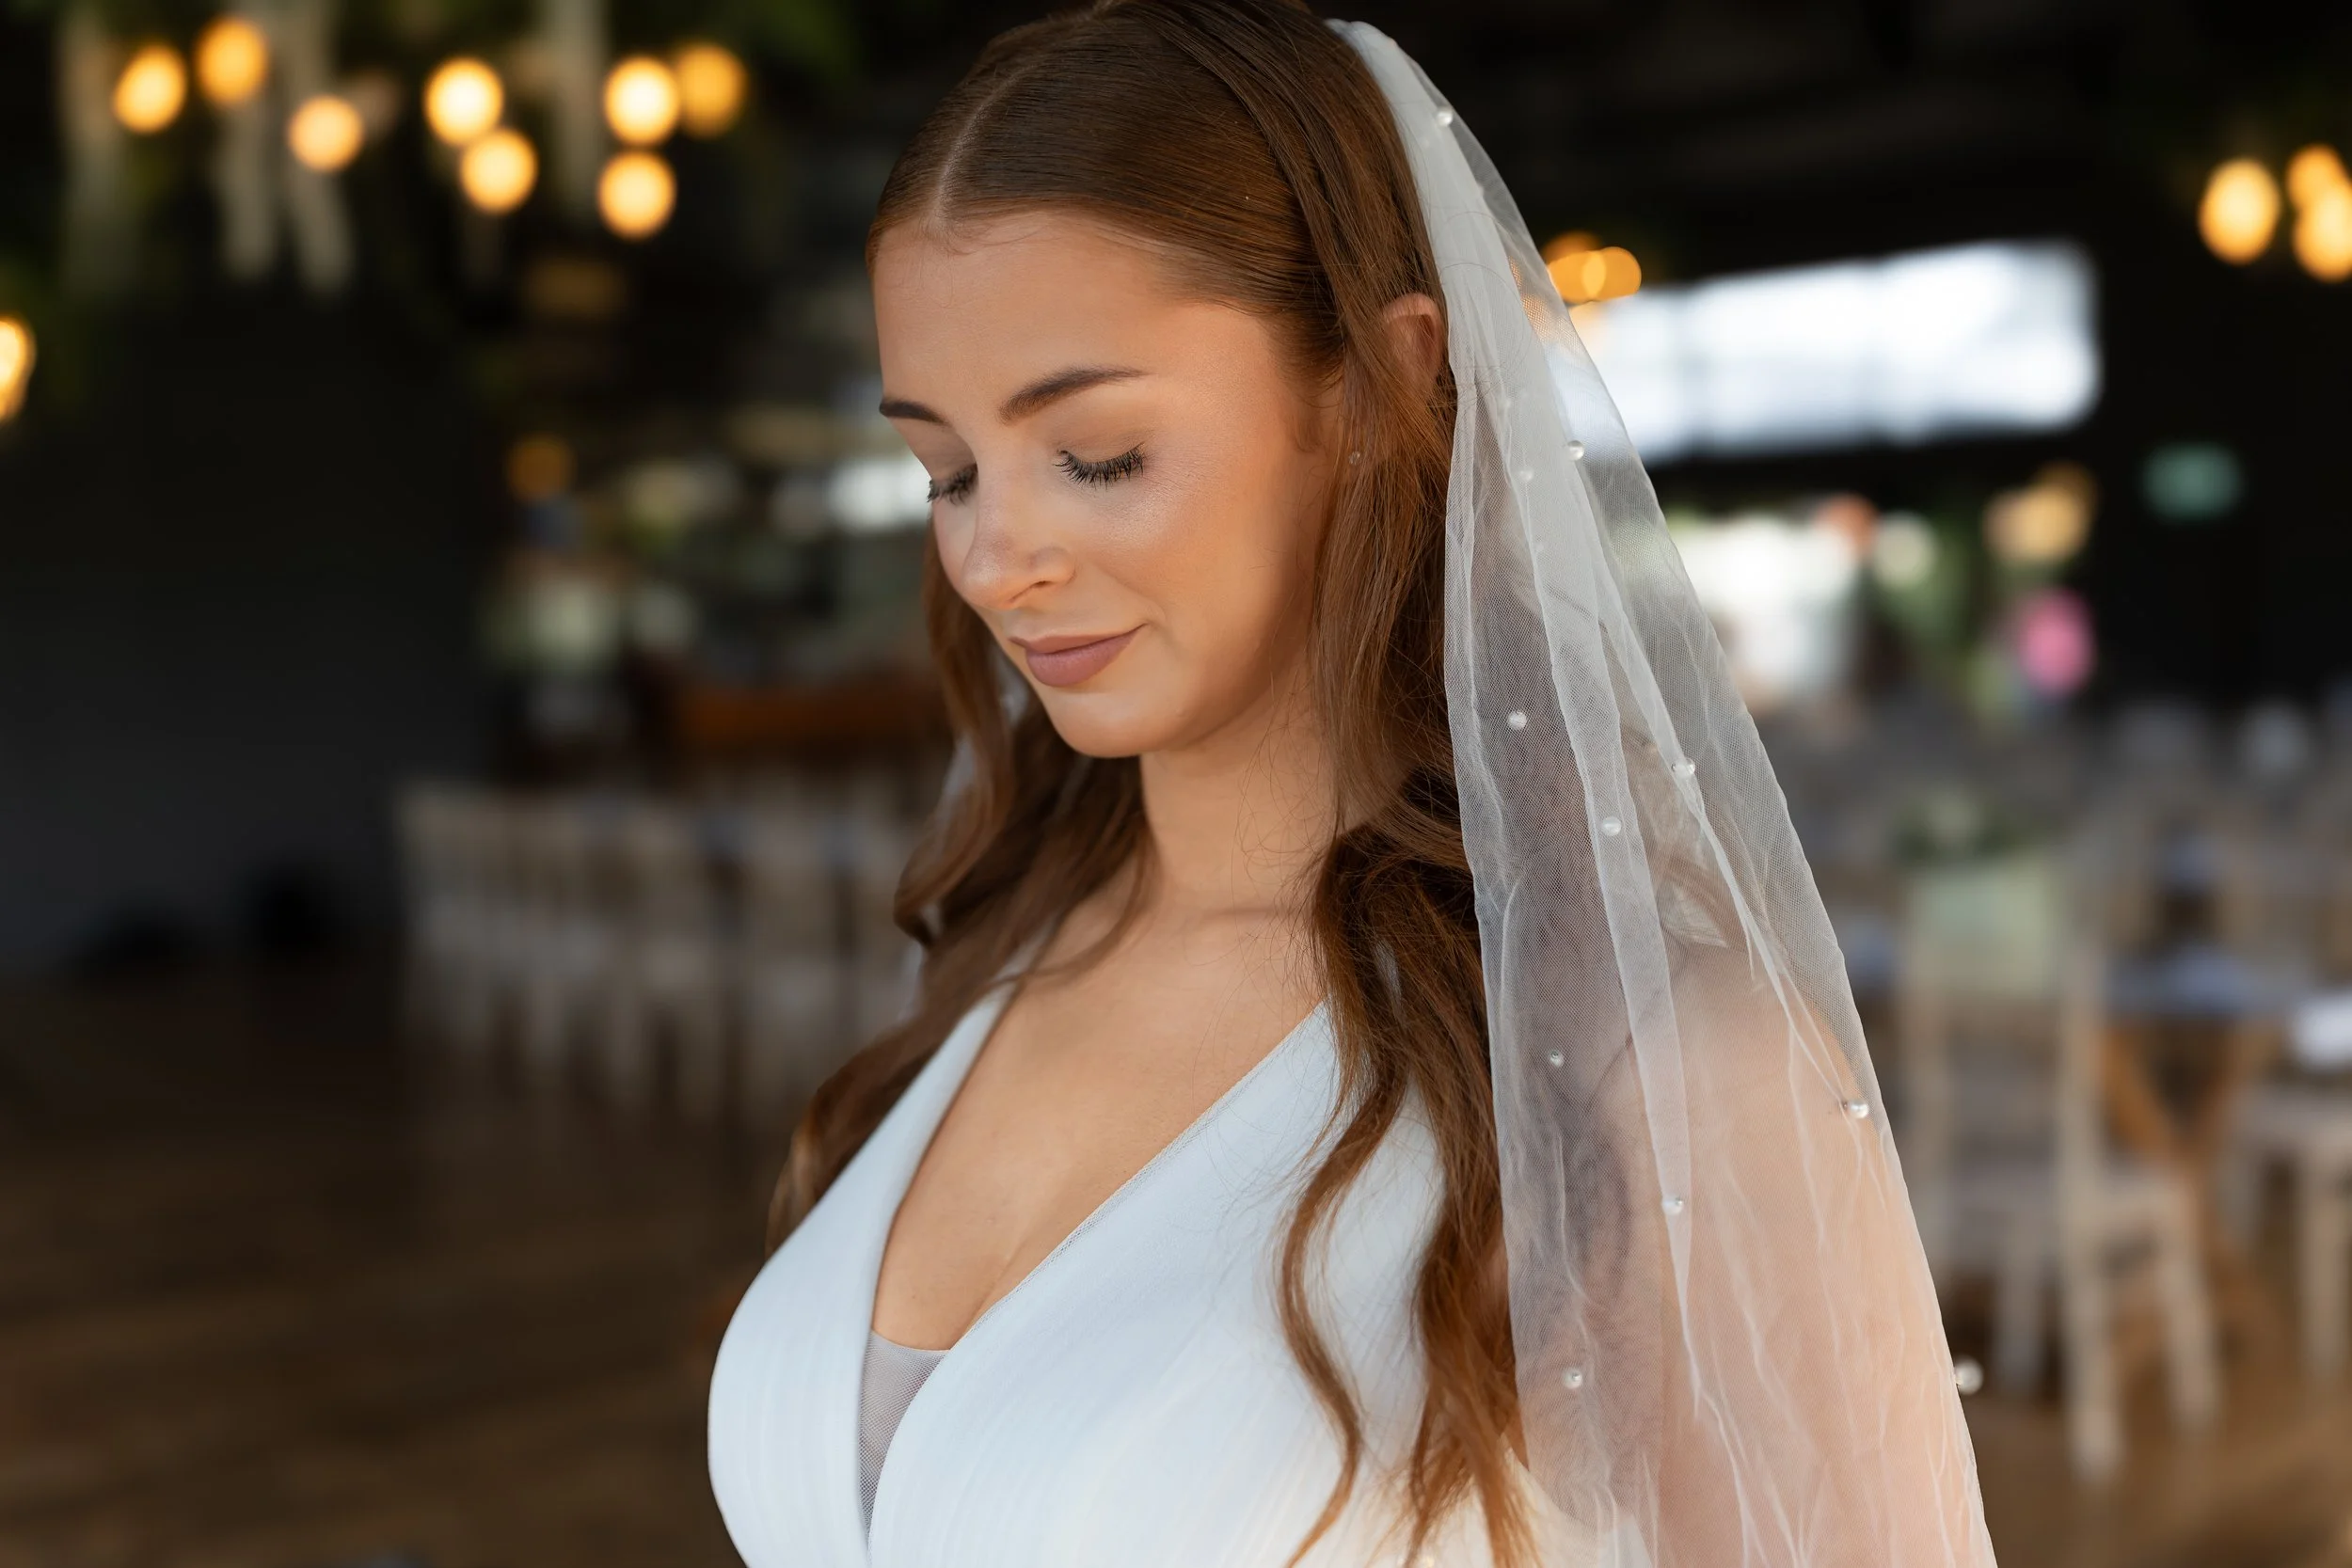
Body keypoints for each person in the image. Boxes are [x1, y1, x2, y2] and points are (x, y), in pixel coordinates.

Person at [708, 3, 1998, 1564]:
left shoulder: (1662, 1063)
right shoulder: (1020, 943)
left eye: (1099, 453)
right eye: (948, 469)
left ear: (1384, 386)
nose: (993, 555)